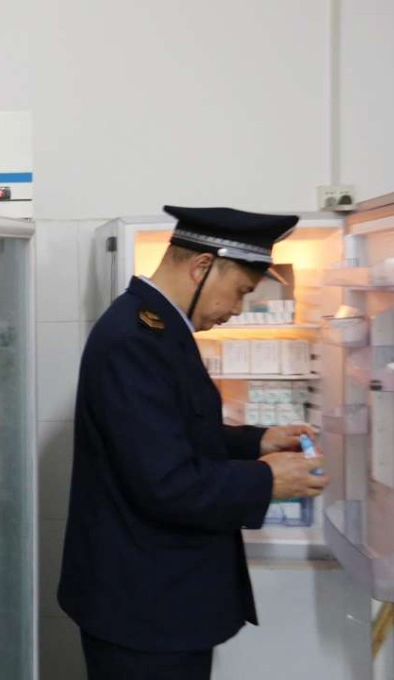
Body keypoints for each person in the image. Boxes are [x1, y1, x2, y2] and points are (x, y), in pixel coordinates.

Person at [58, 205, 330, 679]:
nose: (238, 309)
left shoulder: (157, 330)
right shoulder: (136, 340)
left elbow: (170, 433)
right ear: (203, 266)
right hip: (143, 605)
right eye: (241, 292)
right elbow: (166, 483)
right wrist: (266, 481)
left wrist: (257, 441)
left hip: (157, 595)